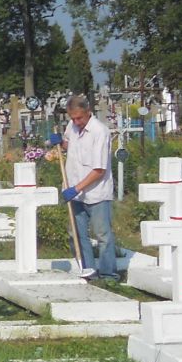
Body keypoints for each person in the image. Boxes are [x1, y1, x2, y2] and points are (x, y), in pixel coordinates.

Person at [59, 95, 118, 282]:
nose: (77, 122)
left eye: (80, 118)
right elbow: (69, 144)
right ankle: (88, 269)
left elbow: (99, 169)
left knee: (102, 235)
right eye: (73, 118)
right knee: (77, 233)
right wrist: (59, 143)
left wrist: (77, 188)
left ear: (88, 112)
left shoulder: (99, 132)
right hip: (75, 190)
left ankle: (109, 274)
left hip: (96, 192)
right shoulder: (73, 127)